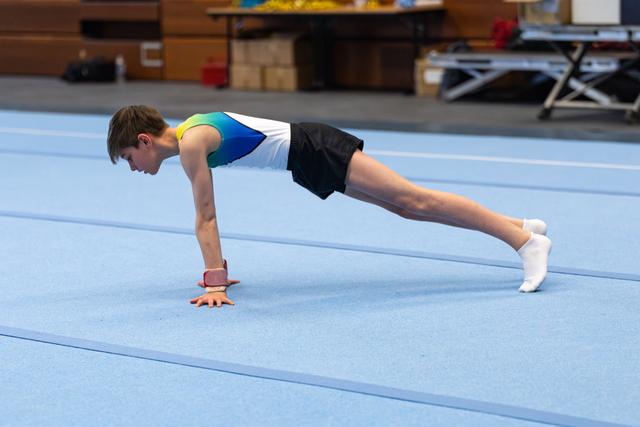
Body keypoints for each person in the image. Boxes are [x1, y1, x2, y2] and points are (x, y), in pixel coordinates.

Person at [107, 105, 552, 309]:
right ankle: (519, 224)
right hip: (304, 160)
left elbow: (206, 217)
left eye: (129, 158)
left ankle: (523, 241)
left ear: (144, 141)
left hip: (314, 147)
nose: (134, 168)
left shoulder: (191, 142)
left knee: (416, 199)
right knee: (406, 208)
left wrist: (216, 284)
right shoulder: (191, 133)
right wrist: (218, 269)